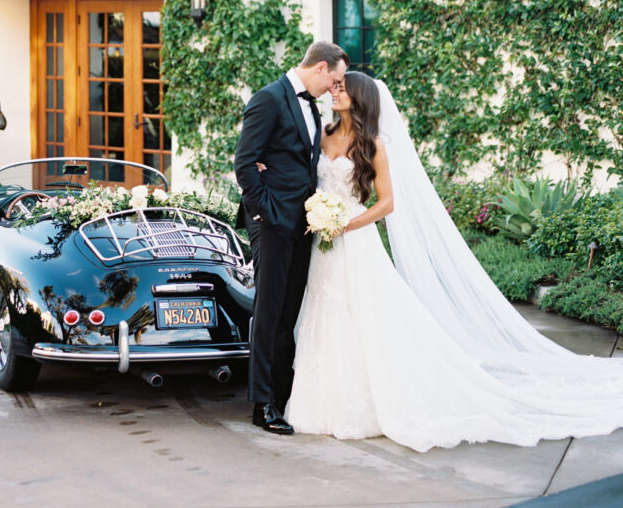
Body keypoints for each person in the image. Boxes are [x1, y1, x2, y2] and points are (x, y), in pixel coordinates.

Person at [286, 72, 623, 451]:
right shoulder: (323, 132)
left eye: (342, 88)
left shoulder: (374, 145)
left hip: (354, 239)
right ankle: (320, 403)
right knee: (323, 311)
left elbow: (386, 204)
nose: (334, 92)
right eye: (334, 86)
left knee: (361, 316)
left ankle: (363, 405)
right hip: (322, 242)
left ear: (359, 98)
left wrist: (345, 224)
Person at [234, 41, 348, 435]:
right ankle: (261, 403)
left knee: (289, 310)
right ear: (319, 67)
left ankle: (283, 394)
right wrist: (264, 211)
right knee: (269, 312)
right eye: (333, 80)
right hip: (272, 221)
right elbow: (245, 162)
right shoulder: (268, 99)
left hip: (303, 221)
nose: (334, 89)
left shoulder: (312, 106)